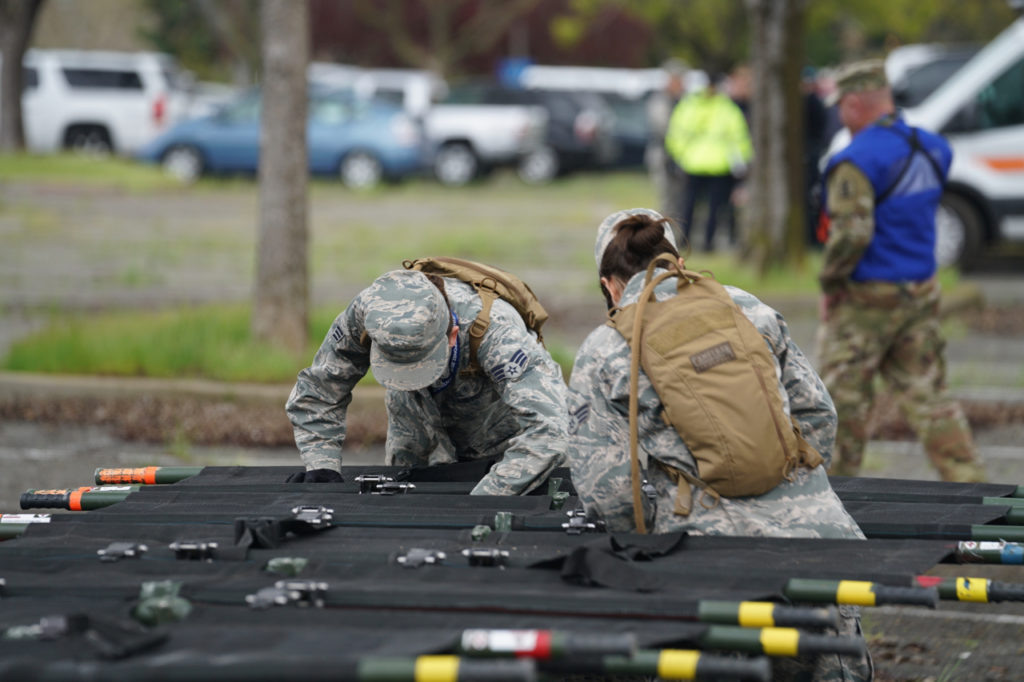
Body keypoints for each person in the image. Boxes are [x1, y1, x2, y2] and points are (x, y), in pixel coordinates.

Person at [566, 208, 871, 681]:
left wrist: (651, 543)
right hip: (820, 540)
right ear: (678, 260)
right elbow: (818, 417)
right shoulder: (749, 308)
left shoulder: (605, 349)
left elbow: (607, 488)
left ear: (610, 284)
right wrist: (789, 492)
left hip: (712, 561)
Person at [817, 59, 985, 483]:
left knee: (843, 401)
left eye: (842, 105)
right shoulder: (934, 147)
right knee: (929, 395)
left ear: (855, 104)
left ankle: (835, 494)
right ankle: (969, 483)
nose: (839, 114)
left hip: (865, 300)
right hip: (920, 291)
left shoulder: (854, 160)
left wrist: (831, 284)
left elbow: (851, 235)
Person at [285, 267, 570, 495]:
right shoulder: (370, 314)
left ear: (453, 334)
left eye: (421, 365)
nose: (410, 377)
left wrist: (486, 498)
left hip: (499, 445)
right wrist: (322, 465)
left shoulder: (498, 333)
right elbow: (319, 390)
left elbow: (549, 431)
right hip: (413, 433)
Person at [665, 73, 752, 252]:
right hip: (716, 164)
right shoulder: (727, 108)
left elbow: (675, 134)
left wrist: (678, 156)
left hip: (695, 162)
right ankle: (706, 243)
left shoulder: (689, 106)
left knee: (691, 206)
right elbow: (740, 138)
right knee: (711, 207)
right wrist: (742, 162)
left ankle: (687, 241)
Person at [645, 58, 688, 226]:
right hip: (662, 154)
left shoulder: (685, 100)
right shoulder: (660, 100)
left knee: (681, 198)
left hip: (682, 155)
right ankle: (663, 233)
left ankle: (677, 233)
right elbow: (662, 128)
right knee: (666, 198)